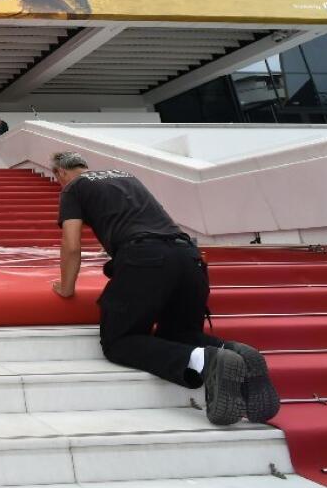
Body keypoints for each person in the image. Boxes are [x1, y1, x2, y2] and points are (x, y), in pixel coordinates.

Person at [48, 152, 279, 426]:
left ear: (60, 173)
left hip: (146, 260)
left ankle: (208, 360)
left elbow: (72, 246)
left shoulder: (74, 187)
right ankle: (238, 353)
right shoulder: (126, 177)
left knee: (119, 341)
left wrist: (66, 287)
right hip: (189, 258)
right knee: (179, 334)